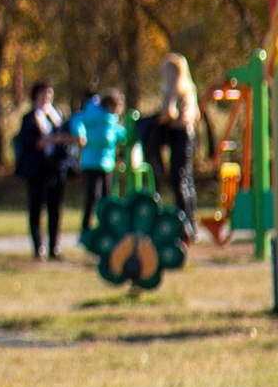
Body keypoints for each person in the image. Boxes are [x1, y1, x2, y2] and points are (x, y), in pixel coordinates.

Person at [11, 82, 74, 259]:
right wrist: (53, 140)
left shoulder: (57, 115)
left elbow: (66, 136)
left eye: (50, 93)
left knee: (55, 207)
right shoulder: (30, 118)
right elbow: (32, 141)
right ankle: (38, 247)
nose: (48, 96)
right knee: (36, 207)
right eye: (45, 93)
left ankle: (54, 247)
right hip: (38, 168)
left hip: (57, 167)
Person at [137, 54, 200, 222]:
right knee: (186, 178)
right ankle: (191, 219)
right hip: (189, 134)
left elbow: (169, 113)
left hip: (180, 134)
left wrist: (151, 121)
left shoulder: (175, 88)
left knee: (178, 179)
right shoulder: (189, 89)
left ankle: (184, 220)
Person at [70, 86, 124, 235]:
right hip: (91, 162)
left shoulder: (111, 120)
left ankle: (107, 227)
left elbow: (117, 133)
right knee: (93, 196)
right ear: (111, 105)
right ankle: (86, 227)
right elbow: (77, 120)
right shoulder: (94, 114)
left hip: (107, 163)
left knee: (108, 197)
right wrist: (80, 134)